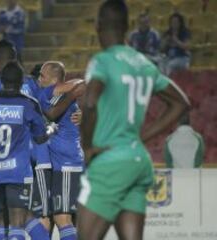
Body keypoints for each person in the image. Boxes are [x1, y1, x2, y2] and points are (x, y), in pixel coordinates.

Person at [77, 1, 190, 240]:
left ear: (97, 26)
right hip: (138, 160)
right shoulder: (143, 63)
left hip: (110, 162)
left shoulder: (102, 60)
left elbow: (89, 103)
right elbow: (181, 103)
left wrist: (86, 146)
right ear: (127, 26)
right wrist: (142, 137)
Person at [0, 61, 57, 240]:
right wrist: (51, 129)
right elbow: (40, 137)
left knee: (1, 217)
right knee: (18, 220)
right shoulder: (28, 103)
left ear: (1, 80)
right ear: (20, 83)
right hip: (18, 171)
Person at [38, 61, 85, 240]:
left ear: (54, 80)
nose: (39, 79)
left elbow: (84, 85)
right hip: (58, 165)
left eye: (42, 75)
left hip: (66, 164)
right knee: (53, 217)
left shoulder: (52, 97)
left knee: (62, 217)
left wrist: (87, 113)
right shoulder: (58, 98)